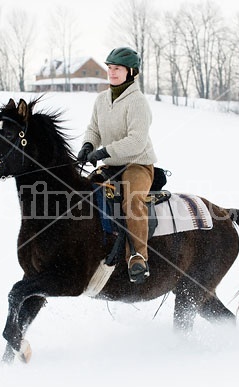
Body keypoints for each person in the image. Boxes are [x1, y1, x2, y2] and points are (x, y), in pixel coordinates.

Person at [77, 46, 157, 284]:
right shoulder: (101, 99)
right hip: (111, 166)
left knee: (132, 200)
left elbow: (136, 141)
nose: (112, 73)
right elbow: (93, 129)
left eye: (117, 69)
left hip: (137, 165)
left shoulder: (138, 102)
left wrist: (104, 151)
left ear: (131, 72)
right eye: (110, 68)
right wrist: (88, 146)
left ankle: (137, 258)